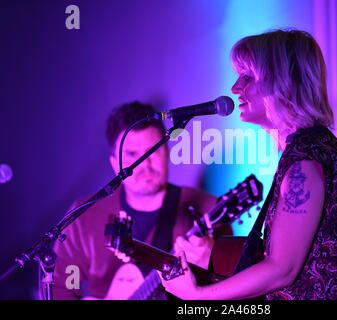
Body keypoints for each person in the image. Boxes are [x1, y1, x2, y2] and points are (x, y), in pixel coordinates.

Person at [161, 29, 337, 300]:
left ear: (283, 83)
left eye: (248, 76)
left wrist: (197, 295)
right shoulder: (306, 152)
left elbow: (282, 269)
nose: (235, 88)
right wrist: (215, 255)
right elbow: (297, 259)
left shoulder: (305, 162)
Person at [53, 102, 231, 300]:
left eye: (153, 151)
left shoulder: (207, 209)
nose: (145, 164)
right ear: (114, 164)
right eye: (132, 154)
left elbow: (235, 288)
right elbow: (66, 284)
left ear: (167, 152)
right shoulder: (84, 217)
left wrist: (213, 265)